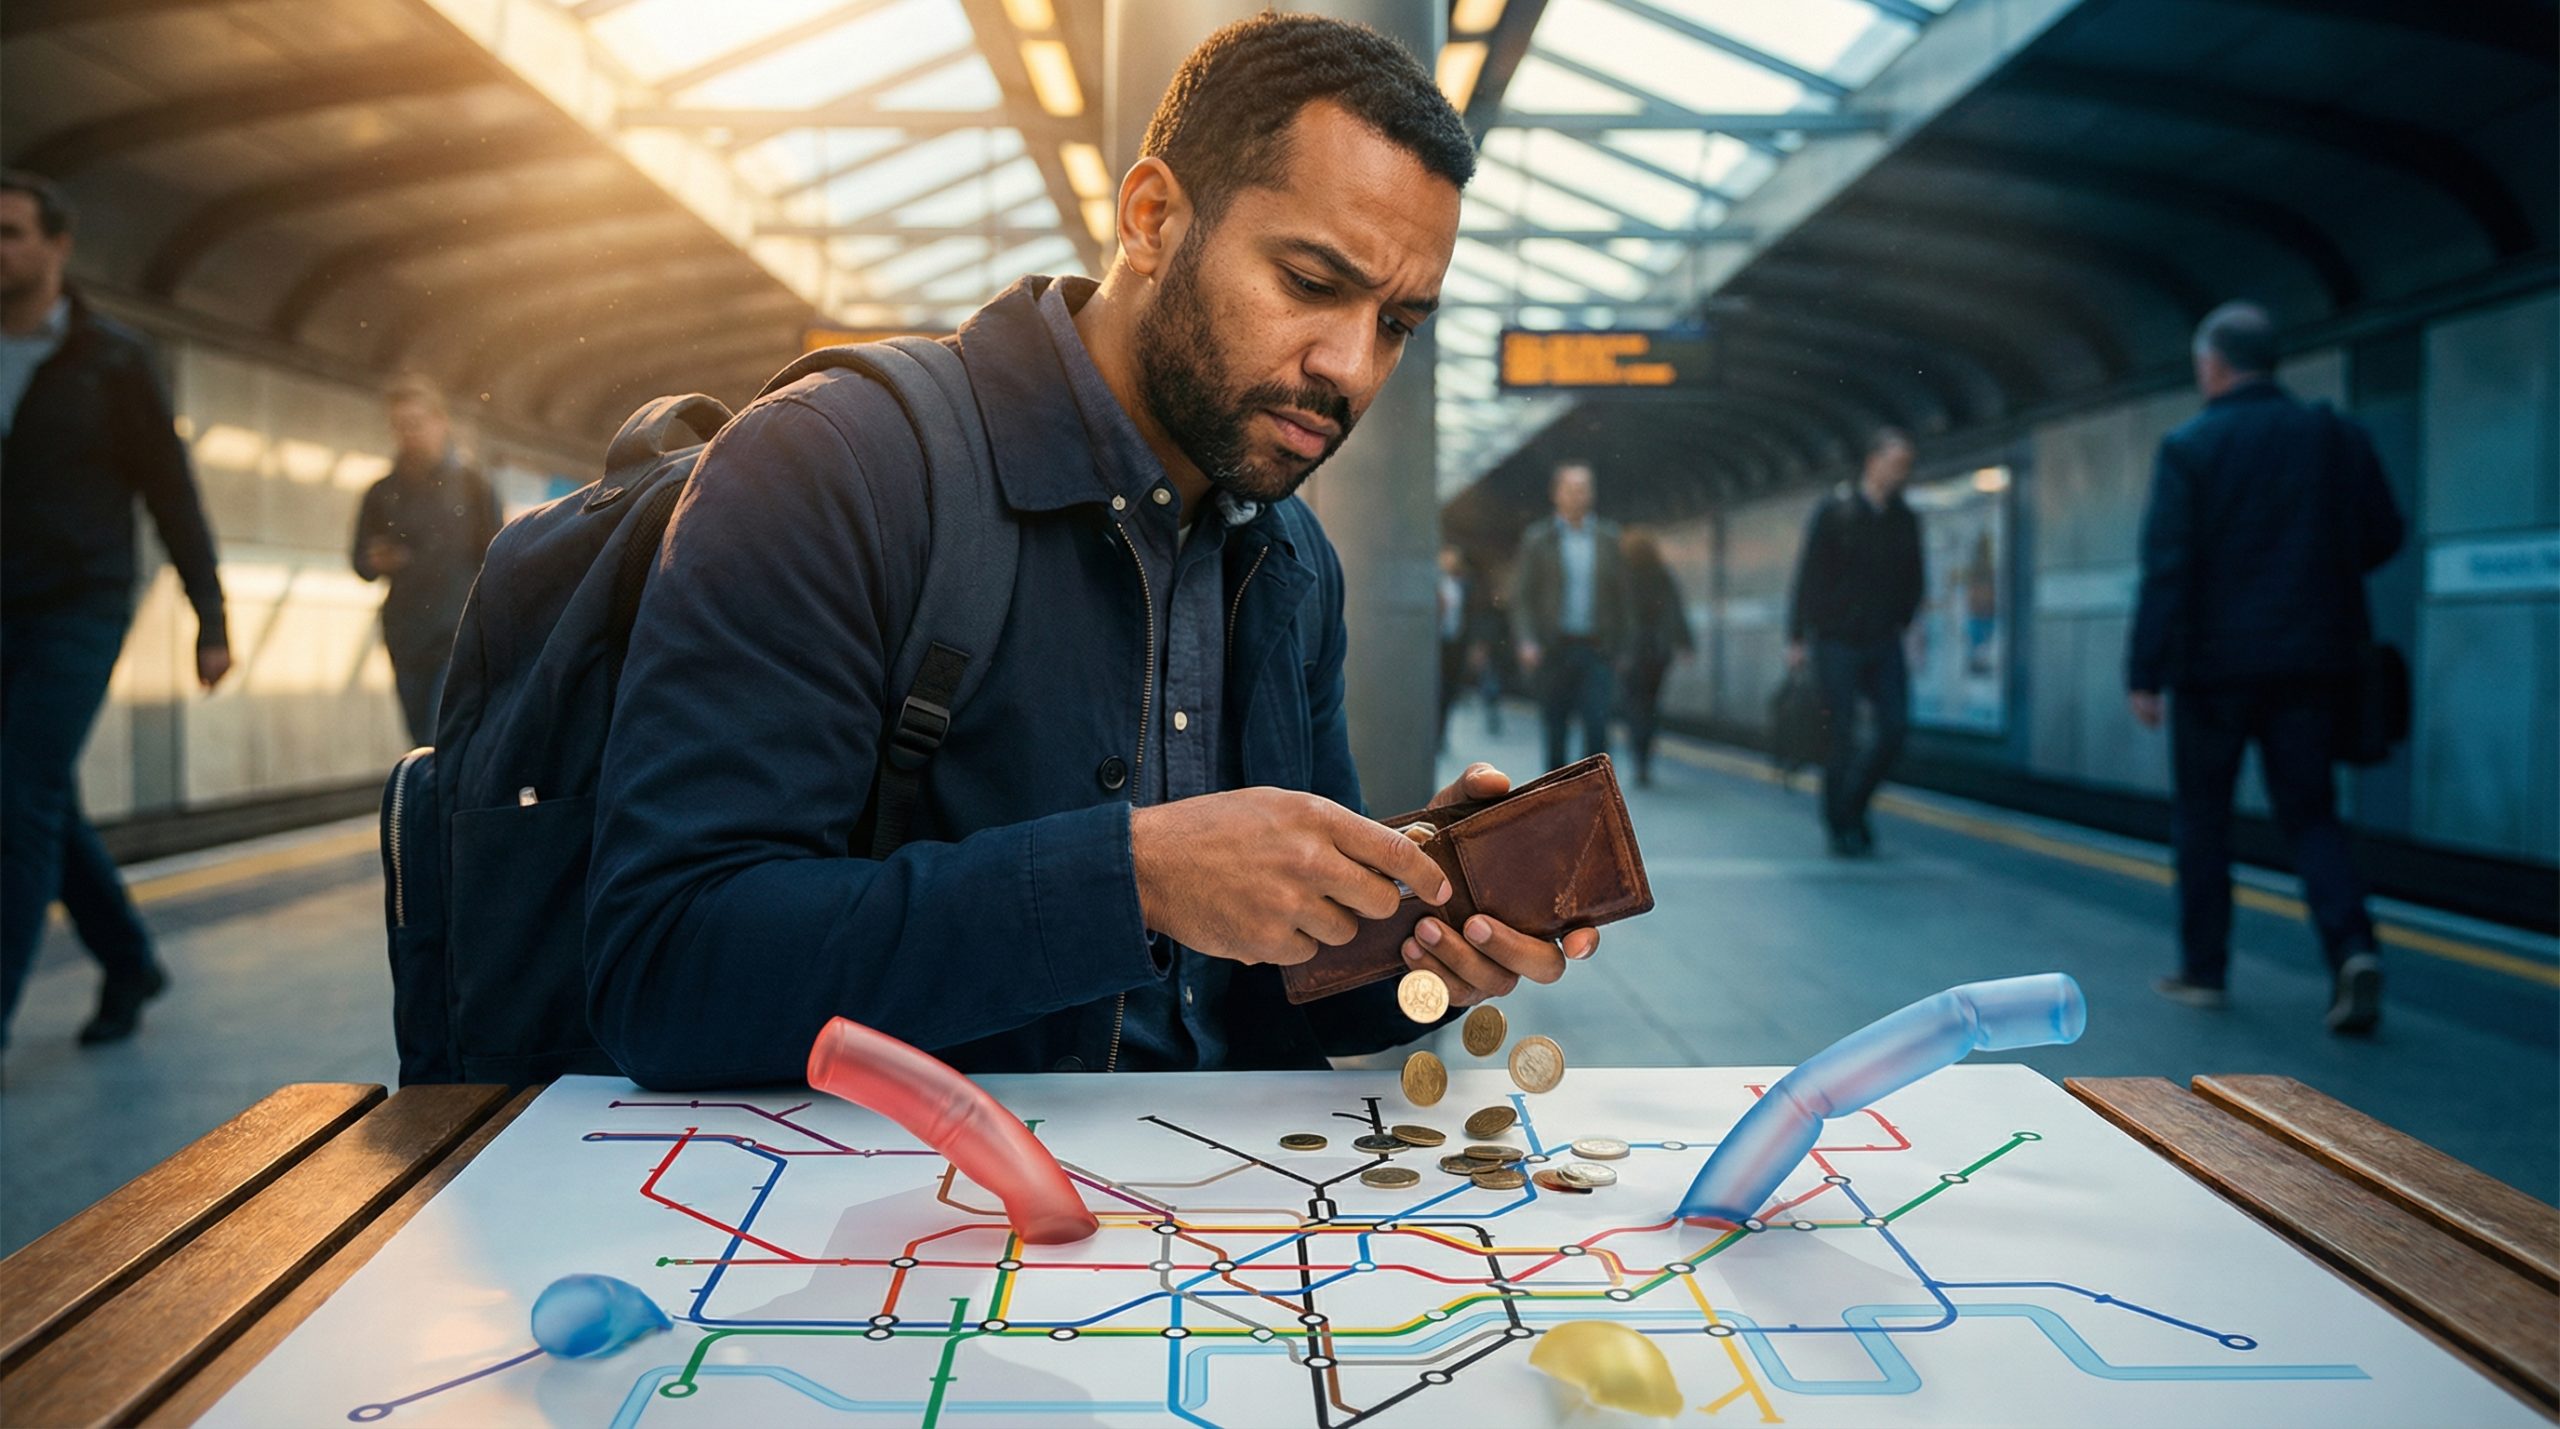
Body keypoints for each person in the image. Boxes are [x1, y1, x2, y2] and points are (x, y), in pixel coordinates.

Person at [583, 14, 1606, 1089]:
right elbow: (667, 966)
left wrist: (1421, 931)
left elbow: (1276, 997)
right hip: (908, 1224)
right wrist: (1133, 879)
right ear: (1153, 217)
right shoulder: (837, 465)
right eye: (1310, 283)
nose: (1348, 366)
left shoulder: (1291, 562)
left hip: (1193, 1223)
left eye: (1398, 322)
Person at [0, 171, 231, 1053]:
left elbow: (170, 491)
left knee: (17, 797)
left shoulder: (114, 359)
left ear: (57, 247)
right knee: (39, 794)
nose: (1, 250)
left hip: (80, 603)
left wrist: (209, 615)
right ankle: (129, 958)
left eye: (15, 232)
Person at [2128, 301, 2403, 1036]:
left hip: (2213, 670)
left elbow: (2167, 566)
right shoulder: (2334, 436)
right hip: (2313, 664)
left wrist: (2145, 671)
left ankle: (2204, 970)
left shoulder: (2191, 445)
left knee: (2204, 817)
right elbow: (2383, 534)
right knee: (2311, 813)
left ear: (2212, 365)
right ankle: (2352, 949)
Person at [1786, 428, 1922, 856]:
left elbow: (1915, 579)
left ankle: (1854, 806)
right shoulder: (1835, 511)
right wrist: (1797, 636)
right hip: (1836, 639)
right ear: (1873, 462)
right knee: (1839, 734)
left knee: (1895, 728)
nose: (1901, 474)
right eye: (1896, 464)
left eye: (1906, 467)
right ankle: (1838, 823)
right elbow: (1808, 574)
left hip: (1883, 638)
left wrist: (1905, 622)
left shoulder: (1905, 519)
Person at [351, 376, 502, 745]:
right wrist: (377, 561)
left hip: (459, 635)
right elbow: (359, 561)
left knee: (443, 734)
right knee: (420, 740)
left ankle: (448, 801)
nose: (409, 434)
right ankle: (436, 802)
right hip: (407, 637)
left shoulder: (473, 485)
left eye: (416, 424)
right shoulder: (381, 493)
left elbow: (499, 558)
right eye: (400, 426)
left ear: (440, 422)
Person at [1508, 462, 1632, 774]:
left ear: (1592, 494)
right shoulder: (1538, 539)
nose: (1578, 496)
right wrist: (1527, 640)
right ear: (1556, 494)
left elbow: (1623, 597)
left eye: (1584, 489)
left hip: (1597, 649)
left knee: (1597, 729)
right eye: (1571, 489)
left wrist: (1623, 646)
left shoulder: (1608, 538)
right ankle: (1556, 803)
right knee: (1555, 729)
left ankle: (1595, 803)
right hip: (1554, 649)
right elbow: (1522, 596)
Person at [1618, 528, 1693, 787]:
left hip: (1632, 651)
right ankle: (1646, 756)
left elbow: (1617, 616)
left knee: (1634, 704)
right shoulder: (1661, 575)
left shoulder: (1623, 575)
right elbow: (1676, 608)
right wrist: (1685, 644)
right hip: (1658, 652)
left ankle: (1638, 756)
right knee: (1651, 703)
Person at [1433, 545, 1476, 751]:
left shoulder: (1463, 584)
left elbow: (1473, 613)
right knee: (1436, 689)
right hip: (1436, 645)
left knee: (1450, 691)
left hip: (1455, 644)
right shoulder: (1434, 581)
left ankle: (1441, 734)